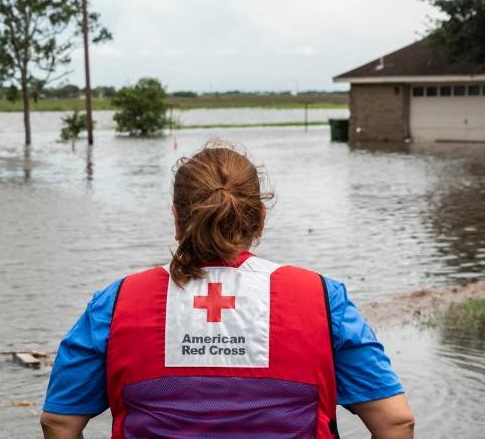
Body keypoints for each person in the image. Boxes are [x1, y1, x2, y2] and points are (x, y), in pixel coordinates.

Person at [40, 142, 414, 439]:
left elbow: (60, 422)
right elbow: (395, 423)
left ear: (176, 218)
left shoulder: (117, 303)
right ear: (260, 219)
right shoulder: (321, 298)